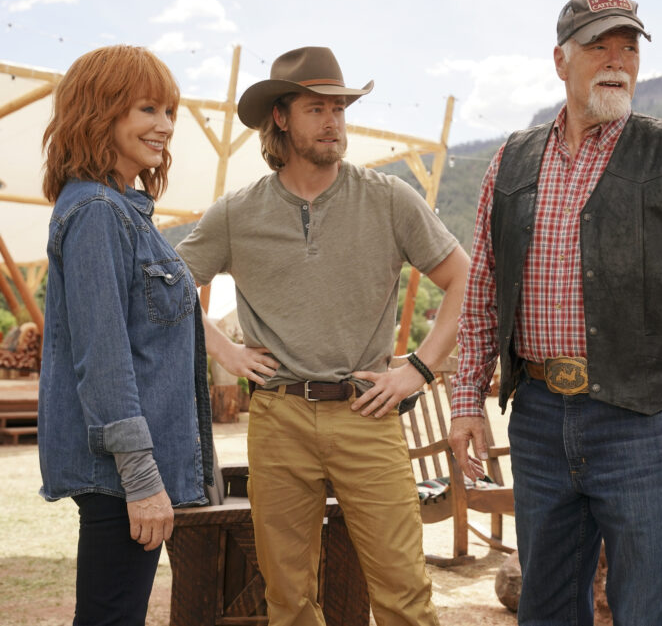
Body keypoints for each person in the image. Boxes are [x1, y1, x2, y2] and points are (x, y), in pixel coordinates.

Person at [449, 0, 662, 626]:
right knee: (545, 607)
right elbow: (482, 294)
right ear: (560, 61)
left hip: (645, 424)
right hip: (538, 418)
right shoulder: (510, 161)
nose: (618, 60)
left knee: (644, 609)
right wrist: (465, 401)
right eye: (599, 47)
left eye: (628, 47)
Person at [177, 46, 469, 626]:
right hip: (278, 418)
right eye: (317, 108)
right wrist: (224, 349)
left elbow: (466, 278)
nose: (333, 121)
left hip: (368, 415)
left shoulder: (389, 198)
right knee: (287, 598)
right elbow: (167, 288)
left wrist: (419, 368)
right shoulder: (236, 214)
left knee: (404, 593)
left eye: (339, 108)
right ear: (280, 118)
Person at [38, 45, 213, 626]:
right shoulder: (97, 212)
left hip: (126, 472)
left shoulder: (120, 209)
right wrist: (141, 479)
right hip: (120, 476)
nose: (165, 126)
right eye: (148, 109)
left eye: (170, 111)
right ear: (100, 112)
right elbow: (104, 358)